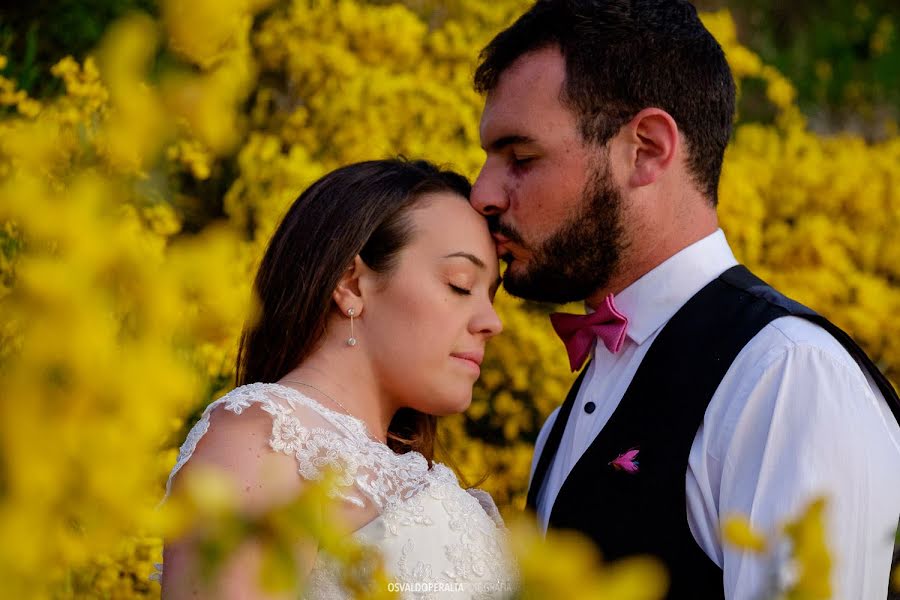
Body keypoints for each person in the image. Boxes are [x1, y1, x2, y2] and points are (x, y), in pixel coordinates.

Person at [469, 1, 900, 598]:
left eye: (521, 157)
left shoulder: (786, 378)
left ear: (646, 149)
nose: (483, 193)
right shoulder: (571, 412)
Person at [160, 159, 516, 599]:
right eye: (461, 284)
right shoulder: (265, 437)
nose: (491, 321)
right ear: (351, 284)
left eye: (491, 294)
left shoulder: (403, 467)